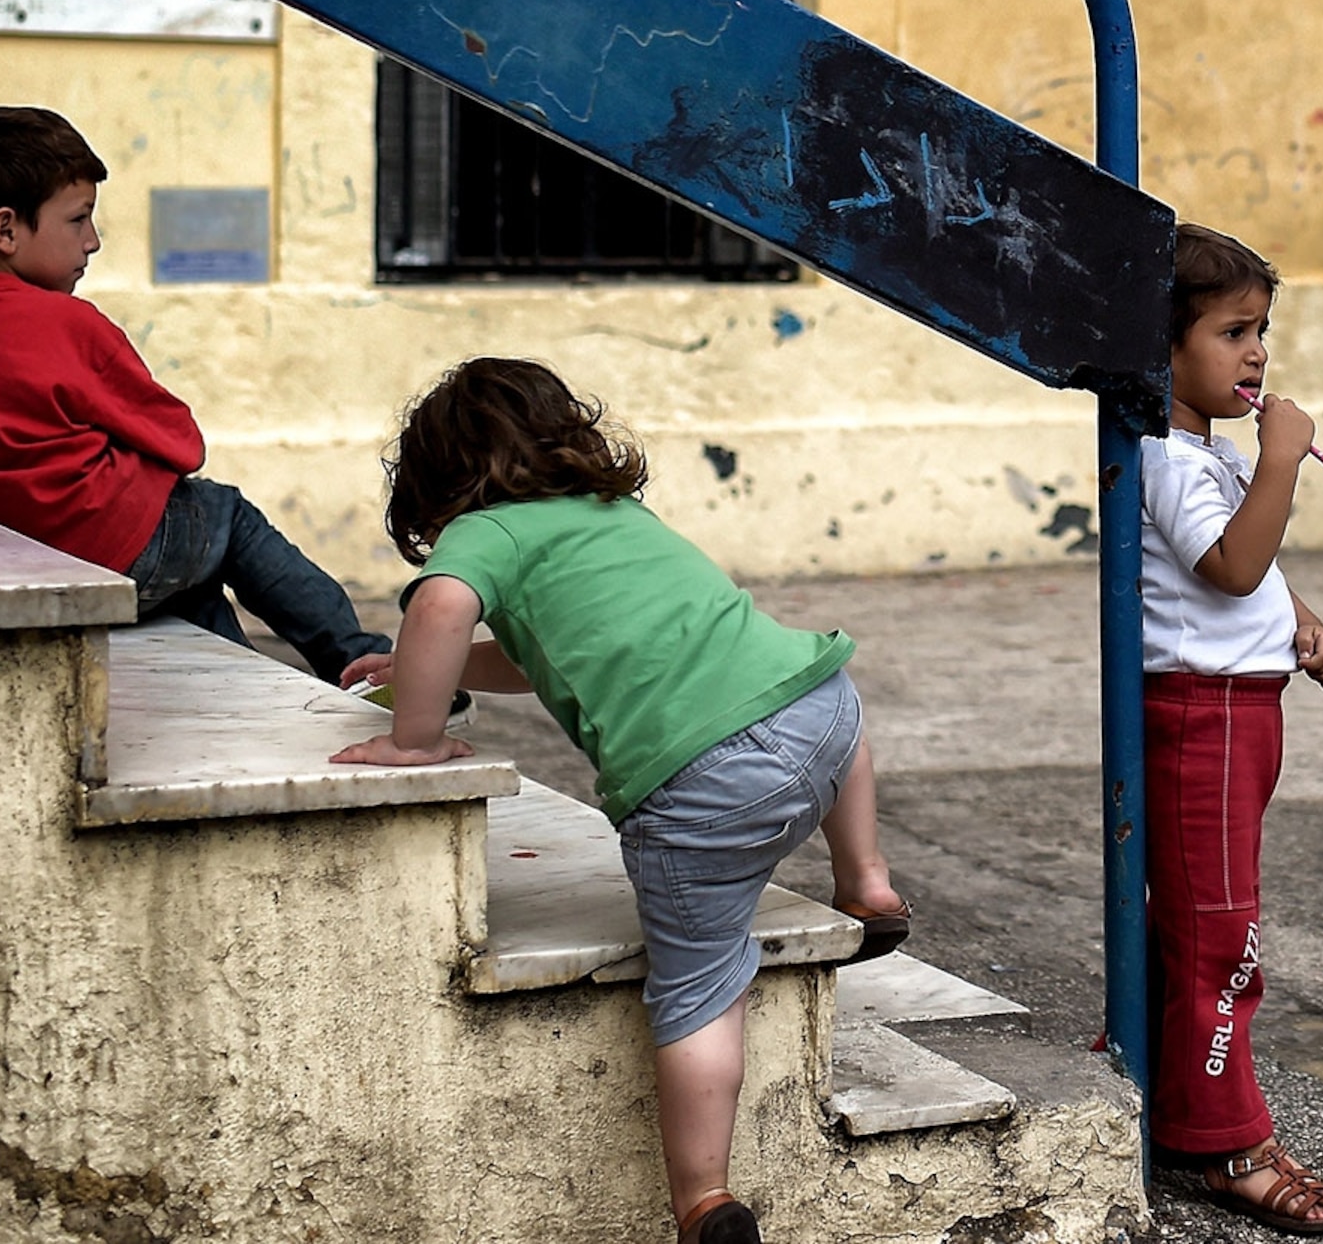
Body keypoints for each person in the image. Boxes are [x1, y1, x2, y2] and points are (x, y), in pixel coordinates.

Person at [331, 357, 904, 1244]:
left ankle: (705, 1201)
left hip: (703, 788)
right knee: (822, 686)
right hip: (816, 717)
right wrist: (417, 674)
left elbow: (442, 607)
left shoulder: (485, 533)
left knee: (702, 985)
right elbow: (544, 656)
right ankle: (867, 878)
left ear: (440, 477)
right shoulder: (612, 512)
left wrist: (414, 737)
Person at [0, 105, 386, 682]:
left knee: (193, 584)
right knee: (226, 518)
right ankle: (363, 661)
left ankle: (254, 695)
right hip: (110, 548)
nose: (93, 241)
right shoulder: (70, 325)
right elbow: (183, 445)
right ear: (6, 230)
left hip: (10, 569)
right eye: (78, 219)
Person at [1142, 224, 1323, 1235]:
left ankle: (1182, 1104)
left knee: (1204, 921)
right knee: (1225, 934)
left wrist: (1298, 617)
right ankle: (1228, 1142)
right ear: (1165, 344)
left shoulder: (1207, 456)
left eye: (1262, 330)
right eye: (1233, 331)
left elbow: (1252, 570)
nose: (1258, 354)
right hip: (1202, 718)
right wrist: (1282, 457)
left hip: (1238, 714)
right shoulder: (1164, 456)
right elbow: (1226, 566)